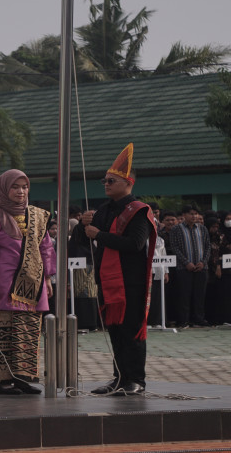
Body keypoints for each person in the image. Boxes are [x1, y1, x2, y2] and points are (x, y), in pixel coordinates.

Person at [72, 144, 155, 396]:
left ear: (128, 183)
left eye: (111, 180)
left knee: (131, 330)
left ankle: (136, 380)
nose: (106, 184)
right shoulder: (104, 210)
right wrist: (81, 225)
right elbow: (81, 240)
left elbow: (135, 244)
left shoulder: (138, 211)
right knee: (115, 331)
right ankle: (119, 377)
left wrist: (101, 235)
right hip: (107, 280)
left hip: (131, 281)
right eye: (104, 181)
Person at [0, 169, 56, 396]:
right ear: (4, 188)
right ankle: (2, 382)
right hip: (5, 281)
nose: (21, 192)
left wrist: (48, 278)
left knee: (28, 330)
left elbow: (46, 248)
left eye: (24, 187)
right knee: (5, 329)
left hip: (34, 280)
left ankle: (22, 378)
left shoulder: (38, 216)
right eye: (15, 187)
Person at [169, 205, 211, 327]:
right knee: (184, 295)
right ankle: (183, 320)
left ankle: (199, 319)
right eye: (191, 214)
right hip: (184, 268)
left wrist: (203, 262)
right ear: (184, 215)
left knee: (200, 295)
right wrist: (186, 262)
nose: (194, 216)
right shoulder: (176, 229)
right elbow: (174, 247)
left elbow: (208, 246)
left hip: (202, 267)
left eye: (196, 214)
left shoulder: (202, 229)